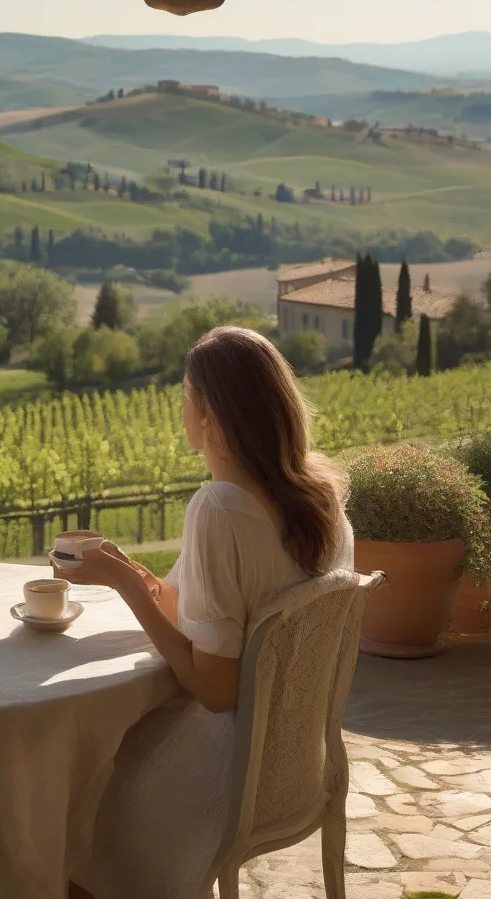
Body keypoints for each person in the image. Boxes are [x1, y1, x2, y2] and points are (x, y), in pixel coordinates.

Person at [54, 325, 354, 899]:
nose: (181, 409)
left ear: (210, 412)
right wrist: (131, 569)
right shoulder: (319, 494)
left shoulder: (220, 508)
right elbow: (217, 615)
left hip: (225, 765)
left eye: (186, 396)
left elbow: (213, 689)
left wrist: (121, 583)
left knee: (73, 788)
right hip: (291, 760)